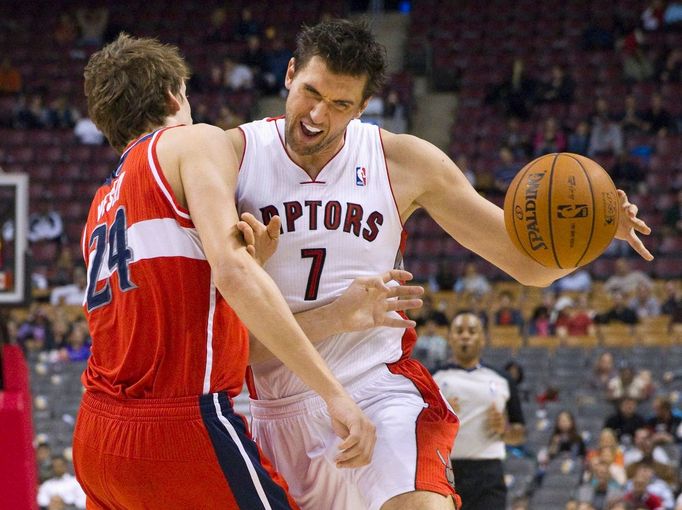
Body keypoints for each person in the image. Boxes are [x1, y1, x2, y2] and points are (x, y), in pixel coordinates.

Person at [231, 18, 652, 510]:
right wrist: (337, 316)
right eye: (311, 93)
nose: (318, 115)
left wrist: (592, 231)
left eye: (341, 104)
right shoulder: (231, 157)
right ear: (289, 74)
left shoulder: (405, 162)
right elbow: (226, 343)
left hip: (373, 388)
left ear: (365, 106)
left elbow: (528, 265)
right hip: (253, 406)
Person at [72, 33, 382, 510]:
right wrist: (334, 394)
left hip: (96, 437)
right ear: (176, 94)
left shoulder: (100, 207)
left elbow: (176, 310)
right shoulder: (192, 141)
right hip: (176, 428)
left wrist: (250, 265)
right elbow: (232, 273)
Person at [432, 312, 525, 510]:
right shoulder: (432, 379)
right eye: (459, 331)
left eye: (472, 331)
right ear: (450, 338)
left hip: (488, 471)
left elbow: (520, 433)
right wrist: (436, 416)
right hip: (444, 471)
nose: (465, 336)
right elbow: (416, 431)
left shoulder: (502, 379)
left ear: (483, 338)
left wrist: (505, 430)